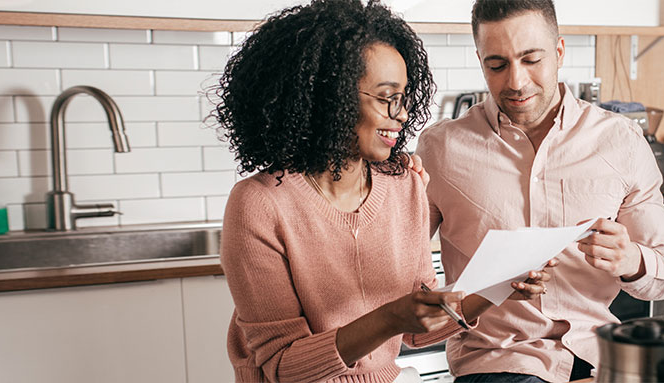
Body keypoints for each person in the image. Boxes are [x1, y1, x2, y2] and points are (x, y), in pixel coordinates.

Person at [212, 1, 554, 382]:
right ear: (329, 96)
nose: (403, 113)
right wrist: (389, 316)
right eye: (387, 96)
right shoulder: (259, 204)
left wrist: (501, 287)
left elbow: (417, 325)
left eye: (404, 96)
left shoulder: (402, 185)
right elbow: (283, 367)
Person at [415, 0, 664, 381]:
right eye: (497, 65)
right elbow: (403, 276)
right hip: (501, 359)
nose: (516, 82)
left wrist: (632, 261)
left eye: (531, 60)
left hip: (601, 352)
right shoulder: (441, 150)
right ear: (480, 61)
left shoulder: (619, 141)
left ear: (559, 52)